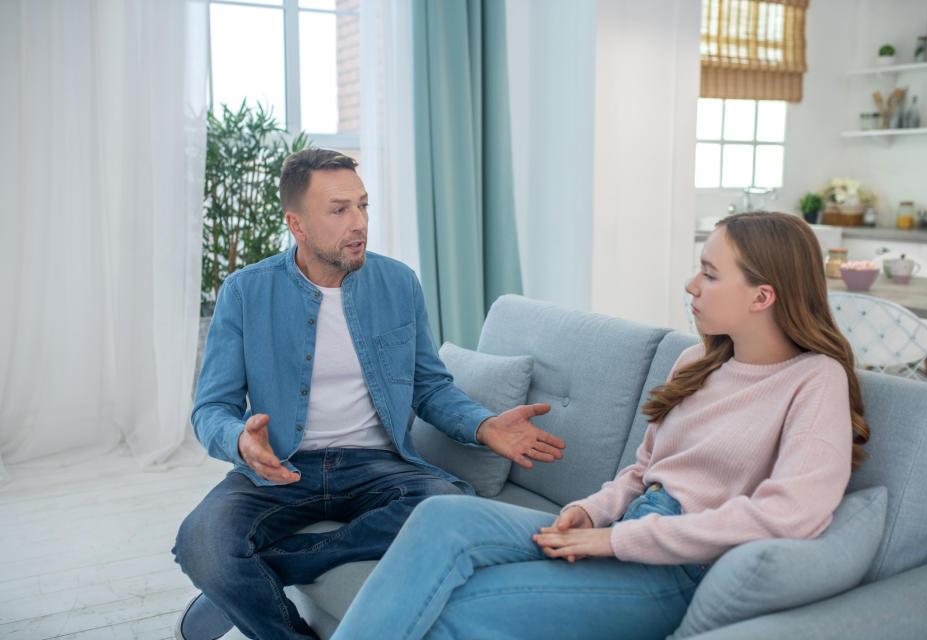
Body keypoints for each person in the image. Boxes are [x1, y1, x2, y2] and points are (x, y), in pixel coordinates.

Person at [329, 211, 871, 640]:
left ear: (762, 295)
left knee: (451, 614)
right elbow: (642, 472)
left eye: (709, 273)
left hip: (675, 568)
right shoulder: (694, 363)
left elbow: (791, 515)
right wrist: (592, 511)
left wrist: (619, 539)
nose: (690, 285)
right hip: (627, 527)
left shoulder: (813, 379)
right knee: (439, 518)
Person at [171, 148, 566, 640]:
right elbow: (211, 408)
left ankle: (277, 566)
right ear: (297, 225)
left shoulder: (398, 283)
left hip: (376, 466)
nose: (358, 223)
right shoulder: (245, 292)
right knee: (201, 543)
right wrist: (239, 442)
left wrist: (484, 426)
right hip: (280, 468)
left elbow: (429, 386)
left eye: (363, 206)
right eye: (339, 210)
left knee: (447, 505)